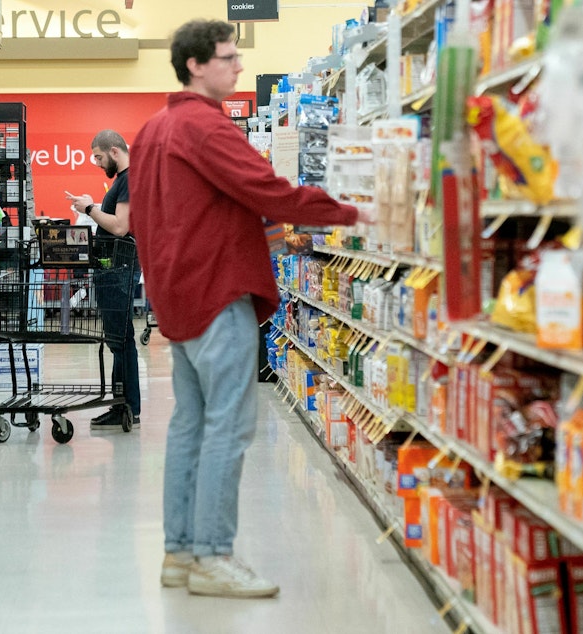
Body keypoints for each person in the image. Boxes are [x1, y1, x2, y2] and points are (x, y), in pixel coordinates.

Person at [129, 19, 370, 598]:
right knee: (229, 427)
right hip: (217, 295)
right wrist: (353, 211)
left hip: (178, 297)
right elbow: (268, 190)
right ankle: (213, 555)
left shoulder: (153, 131)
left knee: (189, 425)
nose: (238, 67)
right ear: (195, 65)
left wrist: (253, 231)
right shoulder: (206, 127)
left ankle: (180, 554)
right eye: (228, 57)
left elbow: (176, 215)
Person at [66, 130, 141, 430]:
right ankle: (123, 404)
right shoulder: (123, 181)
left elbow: (121, 226)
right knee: (119, 340)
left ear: (114, 151)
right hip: (117, 268)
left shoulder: (129, 179)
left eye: (98, 156)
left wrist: (89, 209)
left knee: (120, 340)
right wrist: (92, 205)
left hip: (120, 269)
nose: (97, 163)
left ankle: (126, 406)